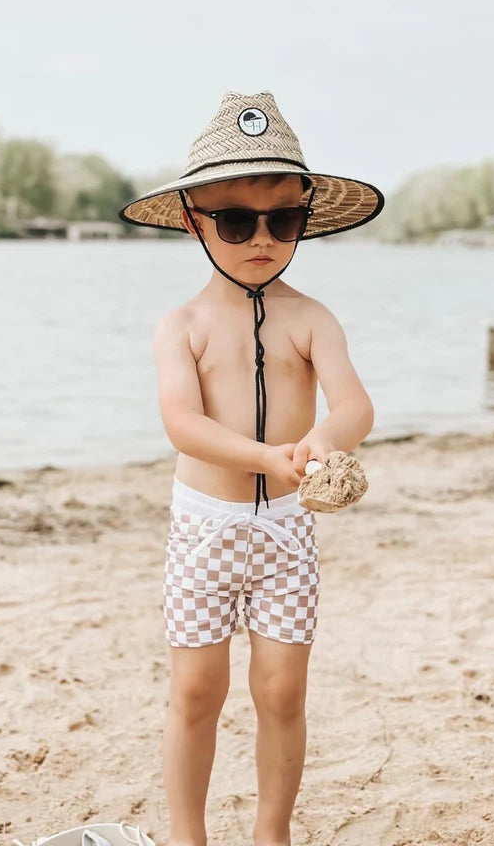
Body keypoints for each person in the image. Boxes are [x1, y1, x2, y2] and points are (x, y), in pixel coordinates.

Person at [119, 91, 384, 846]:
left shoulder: (311, 318)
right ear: (198, 222)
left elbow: (356, 405)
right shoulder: (185, 326)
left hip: (287, 531)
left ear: (303, 217)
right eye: (237, 220)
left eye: (282, 219)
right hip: (206, 527)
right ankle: (187, 836)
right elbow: (183, 423)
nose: (261, 238)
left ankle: (273, 834)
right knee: (196, 690)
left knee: (282, 689)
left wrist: (325, 438)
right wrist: (269, 455)